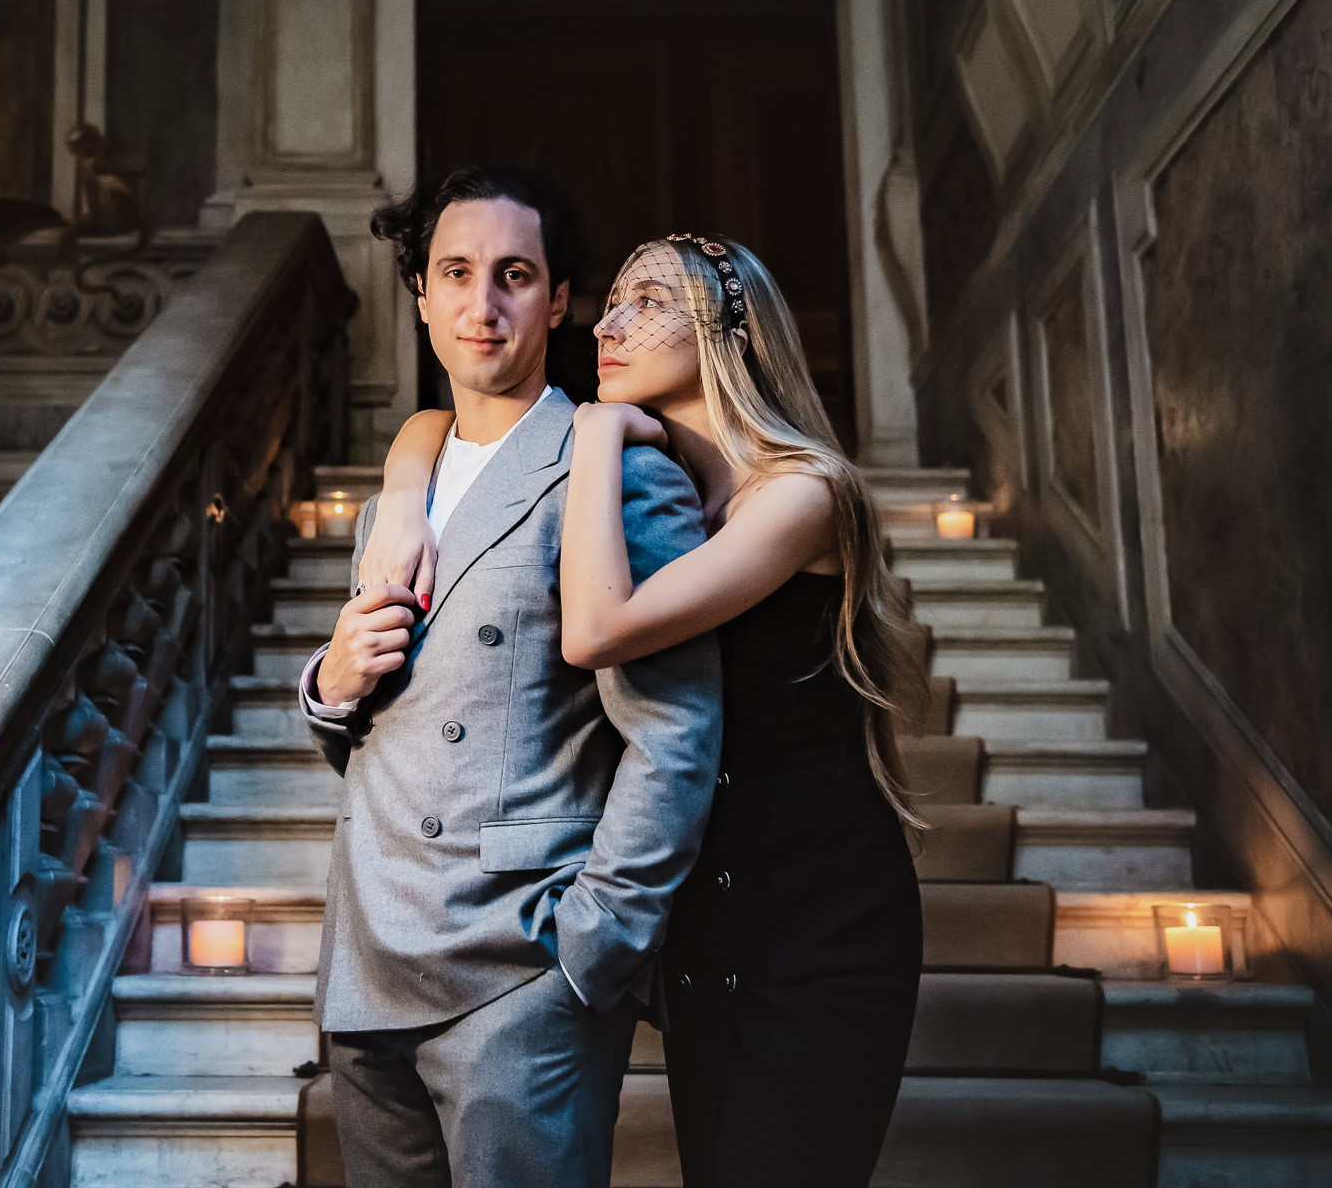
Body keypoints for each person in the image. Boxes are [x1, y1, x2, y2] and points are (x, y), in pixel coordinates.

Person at [361, 233, 926, 1187]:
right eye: (611, 302)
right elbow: (436, 426)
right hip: (705, 919)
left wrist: (593, 433)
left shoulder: (804, 493)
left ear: (732, 331)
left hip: (823, 918)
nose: (610, 324)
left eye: (651, 302)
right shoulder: (660, 489)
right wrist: (407, 474)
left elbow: (594, 629)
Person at [299, 168, 723, 1188]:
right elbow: (395, 715)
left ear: (560, 299)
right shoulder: (397, 492)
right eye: (455, 271)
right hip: (367, 955)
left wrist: (593, 949)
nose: (480, 304)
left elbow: (677, 731)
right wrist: (330, 682)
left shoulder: (618, 469)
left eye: (514, 274)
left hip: (521, 971)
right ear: (422, 296)